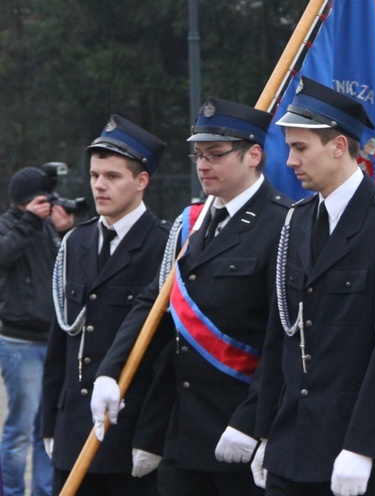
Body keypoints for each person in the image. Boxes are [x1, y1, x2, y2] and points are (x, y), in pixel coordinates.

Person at [90, 97, 291, 496]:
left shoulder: (284, 223)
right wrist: (111, 371)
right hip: (183, 432)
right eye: (199, 154)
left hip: (239, 433)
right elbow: (156, 304)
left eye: (216, 155)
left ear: (254, 155)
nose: (203, 165)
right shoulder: (192, 224)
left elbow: (282, 337)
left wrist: (253, 421)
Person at [251, 76, 375, 496]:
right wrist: (263, 429)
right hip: (293, 440)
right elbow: (281, 334)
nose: (290, 160)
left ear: (337, 147)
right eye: (289, 147)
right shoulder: (296, 219)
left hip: (361, 444)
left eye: (300, 148)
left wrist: (363, 446)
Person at [40, 115, 169, 495]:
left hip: (128, 432)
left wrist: (151, 436)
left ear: (141, 181)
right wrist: (50, 423)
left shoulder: (164, 247)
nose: (99, 185)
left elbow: (166, 357)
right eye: (95, 175)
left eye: (112, 176)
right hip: (73, 432)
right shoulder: (75, 243)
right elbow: (60, 338)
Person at [0, 167, 75, 496]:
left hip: (52, 339)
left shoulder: (48, 228)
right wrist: (30, 221)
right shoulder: (8, 225)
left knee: (47, 429)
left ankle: (46, 492)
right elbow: (4, 255)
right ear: (29, 200)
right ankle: (13, 492)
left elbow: (67, 270)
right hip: (19, 343)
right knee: (19, 429)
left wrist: (65, 233)